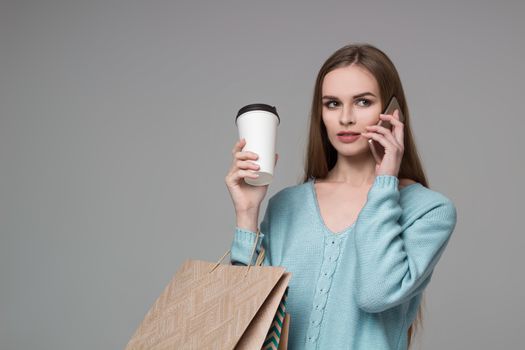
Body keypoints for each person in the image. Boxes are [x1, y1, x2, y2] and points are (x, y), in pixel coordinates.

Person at [224, 43, 457, 350]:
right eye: (332, 104)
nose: (346, 118)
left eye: (363, 102)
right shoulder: (287, 205)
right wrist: (247, 213)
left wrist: (385, 182)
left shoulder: (429, 211)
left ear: (392, 112)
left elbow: (376, 293)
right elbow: (244, 318)